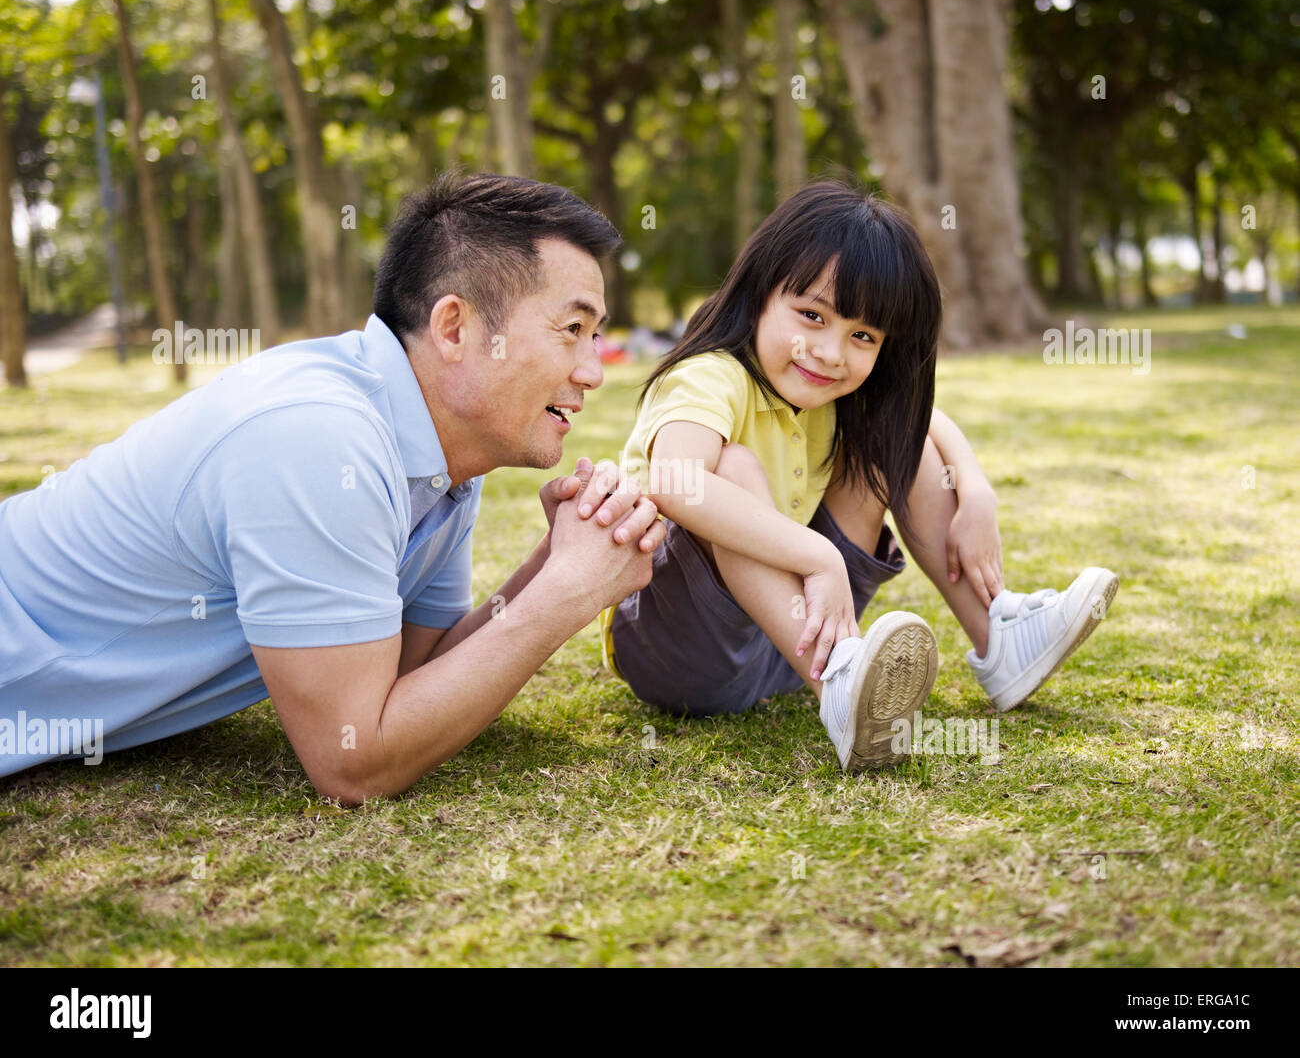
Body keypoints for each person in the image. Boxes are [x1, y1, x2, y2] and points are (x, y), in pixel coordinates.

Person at [0, 172, 665, 802]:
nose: (592, 370)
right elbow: (354, 763)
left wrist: (553, 561)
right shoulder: (318, 435)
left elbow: (411, 679)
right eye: (572, 329)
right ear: (456, 328)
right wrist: (570, 590)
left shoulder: (445, 460)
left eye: (597, 335)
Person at [598, 180, 1118, 771]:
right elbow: (674, 479)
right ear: (760, 292)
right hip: (676, 651)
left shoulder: (830, 392)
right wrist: (818, 557)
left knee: (897, 440)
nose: (829, 352)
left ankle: (998, 636)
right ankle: (842, 689)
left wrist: (975, 492)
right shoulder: (710, 376)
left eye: (862, 336)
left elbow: (928, 423)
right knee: (734, 464)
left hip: (785, 650)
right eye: (812, 316)